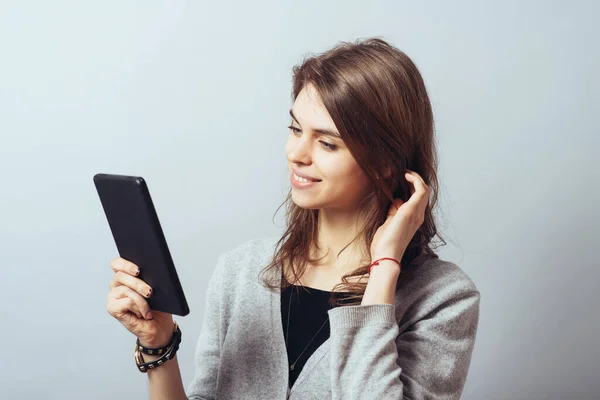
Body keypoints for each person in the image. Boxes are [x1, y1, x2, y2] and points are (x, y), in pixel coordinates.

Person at [106, 37, 481, 399]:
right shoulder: (240, 272)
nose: (297, 153)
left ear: (384, 162)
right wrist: (159, 347)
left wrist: (384, 267)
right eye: (295, 129)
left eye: (327, 142)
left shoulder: (443, 298)